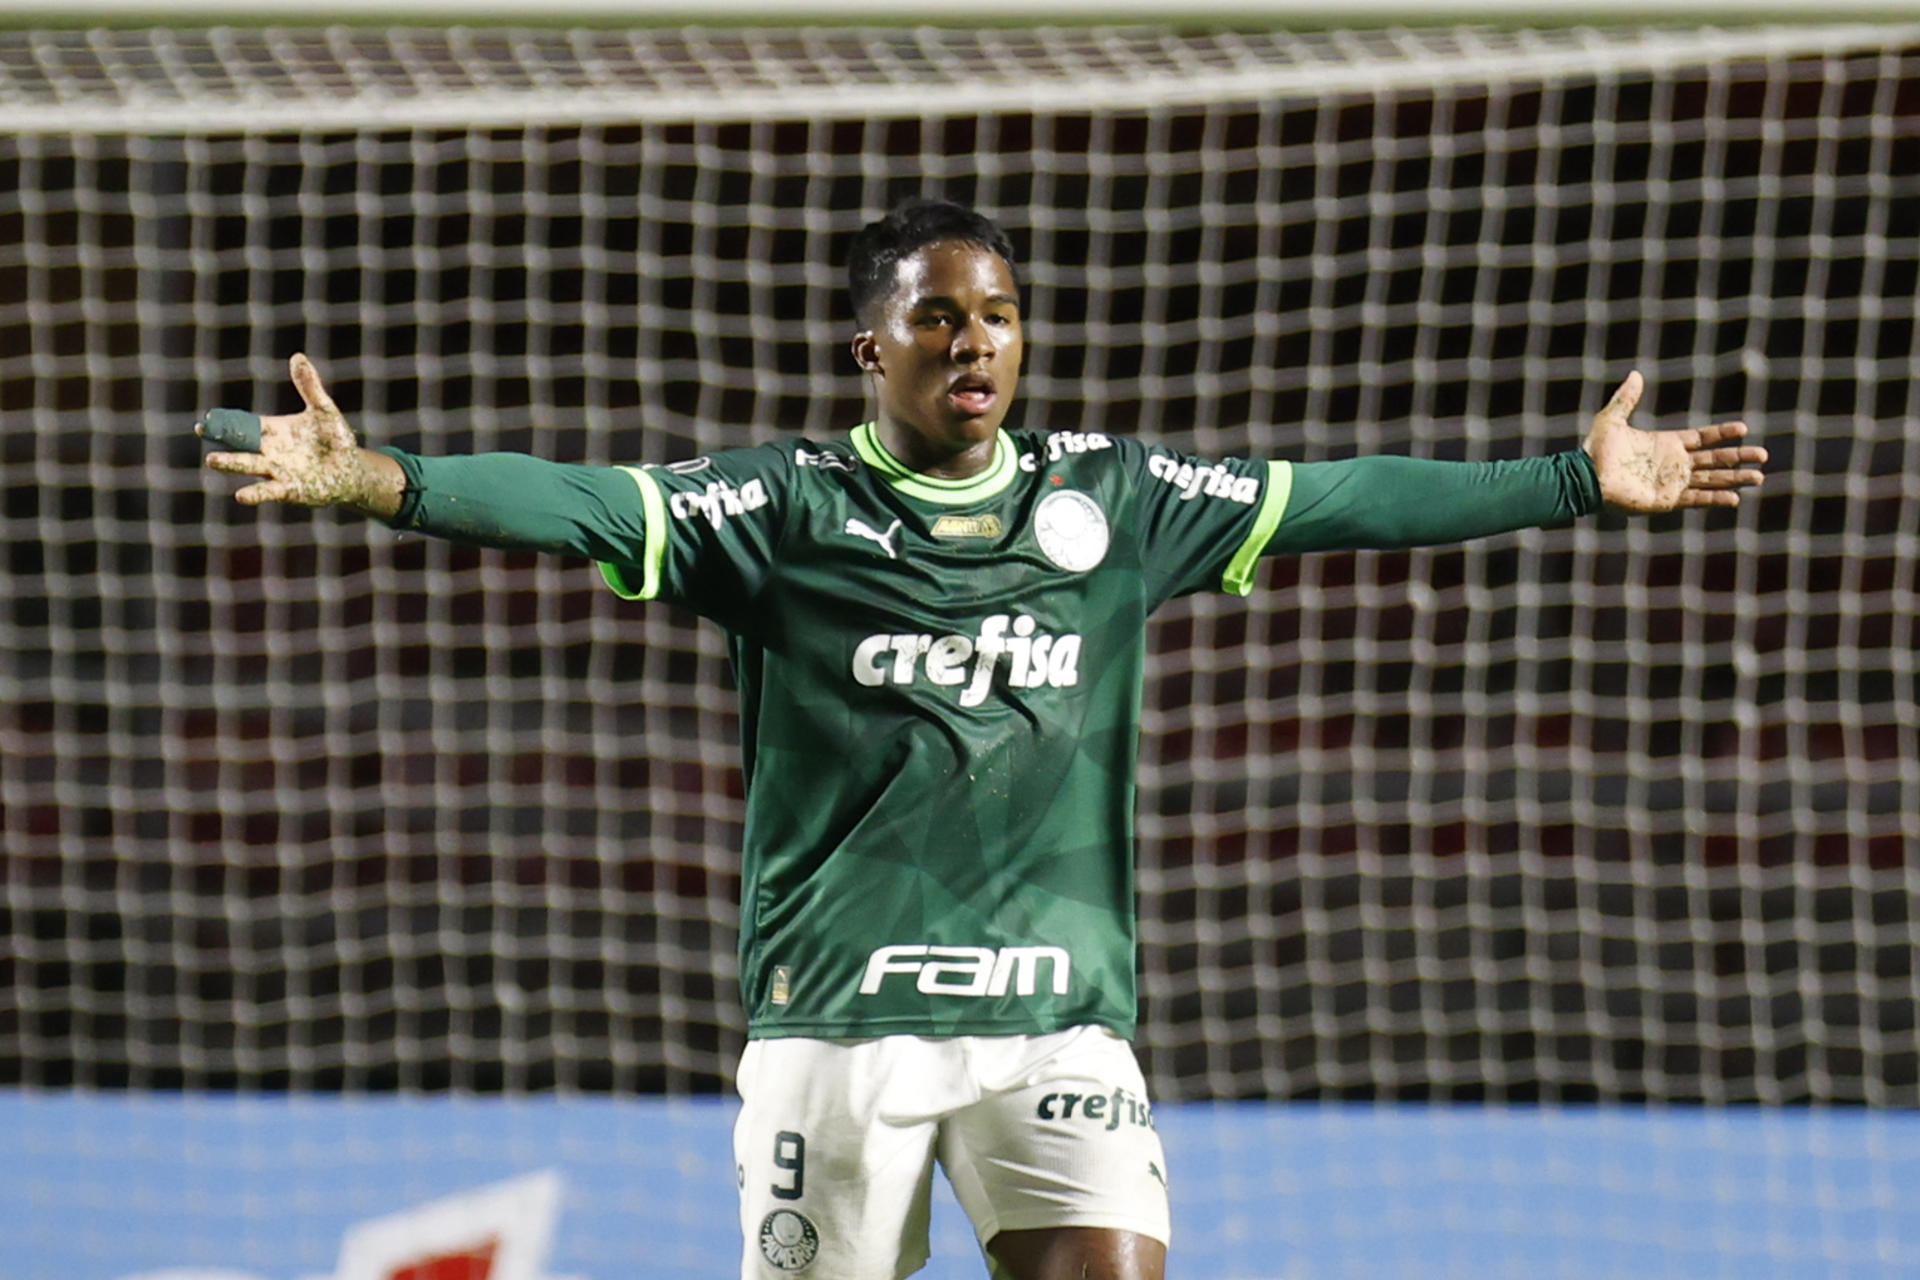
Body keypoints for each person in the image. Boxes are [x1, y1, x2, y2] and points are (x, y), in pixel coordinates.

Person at [200, 198, 1766, 1280]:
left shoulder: (1114, 501)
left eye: (999, 316)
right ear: (867, 352)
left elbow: (1344, 496)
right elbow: (588, 502)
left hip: (1055, 1023)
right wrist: (387, 480)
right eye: (936, 318)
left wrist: (1568, 483)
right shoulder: (786, 510)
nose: (977, 343)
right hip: (838, 1032)